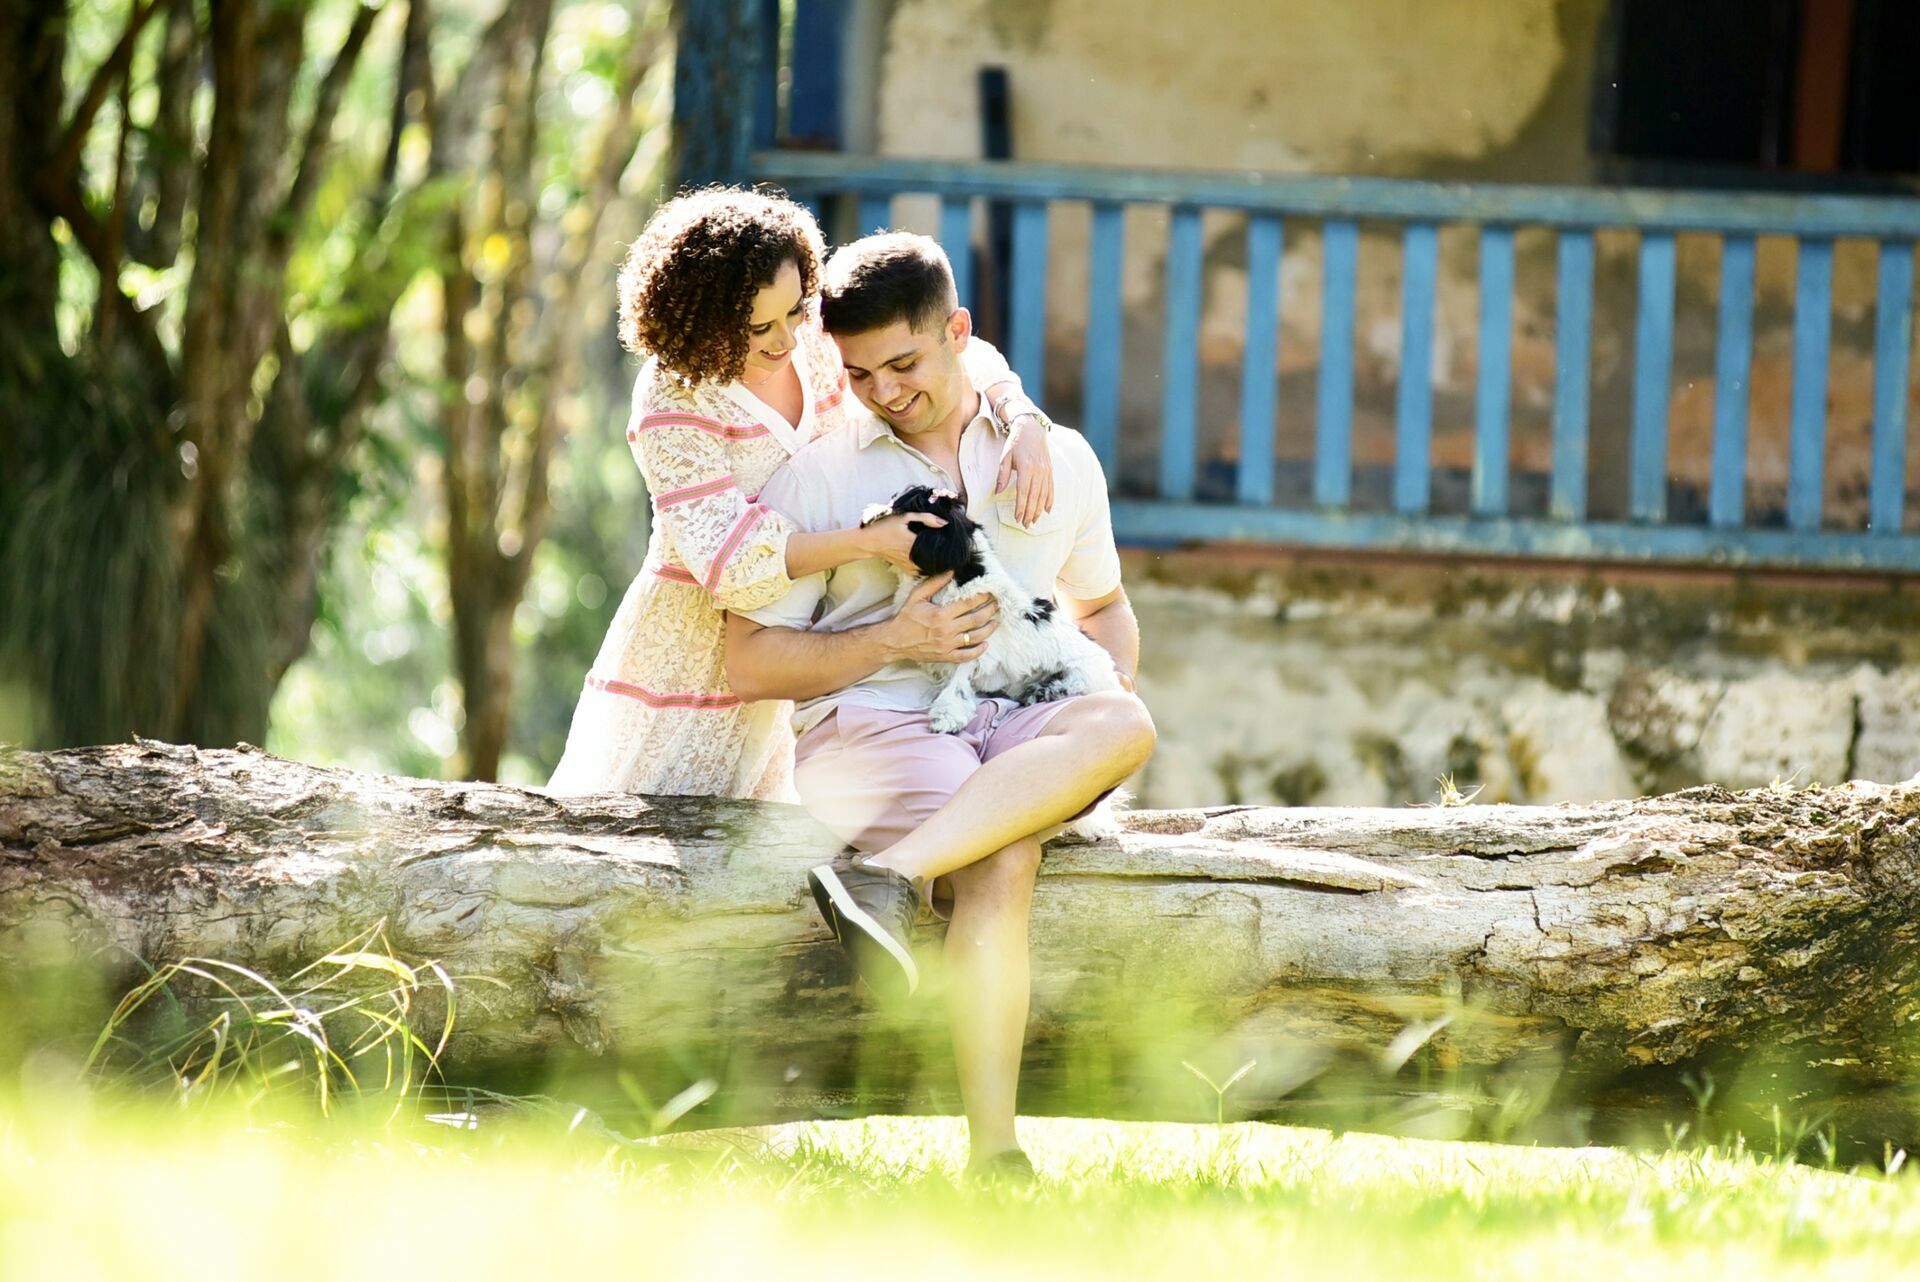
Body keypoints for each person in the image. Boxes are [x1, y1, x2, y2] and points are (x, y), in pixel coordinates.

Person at [725, 232, 1157, 1179]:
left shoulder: (1058, 457)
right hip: (874, 725)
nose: (883, 391)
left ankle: (886, 877)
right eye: (859, 373)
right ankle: (996, 1157)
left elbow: (1105, 610)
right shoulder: (820, 478)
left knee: (1125, 721)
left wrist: (1092, 702)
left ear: (959, 333)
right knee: (1002, 853)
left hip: (1017, 718)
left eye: (905, 365)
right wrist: (895, 640)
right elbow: (747, 662)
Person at [548, 188, 1054, 801]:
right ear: (703, 322)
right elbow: (731, 564)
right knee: (665, 826)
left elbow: (944, 344)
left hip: (818, 630)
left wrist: (1021, 415)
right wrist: (868, 542)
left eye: (793, 312)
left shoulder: (810, 336)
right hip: (702, 650)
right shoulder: (673, 399)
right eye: (758, 328)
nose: (786, 340)